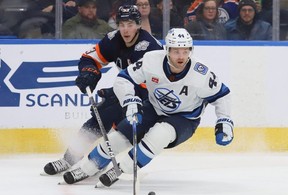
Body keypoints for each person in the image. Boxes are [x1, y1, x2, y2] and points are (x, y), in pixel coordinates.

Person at [62, 28, 234, 186]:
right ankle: (88, 166)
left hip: (184, 118)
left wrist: (224, 121)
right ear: (167, 50)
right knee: (120, 136)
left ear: (191, 51)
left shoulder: (201, 74)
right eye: (176, 51)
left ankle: (122, 169)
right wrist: (129, 99)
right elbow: (124, 79)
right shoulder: (152, 60)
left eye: (185, 51)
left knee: (159, 135)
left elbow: (222, 95)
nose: (181, 57)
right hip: (153, 107)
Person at [43, 5, 163, 178]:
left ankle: (97, 164)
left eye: (130, 24)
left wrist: (114, 94)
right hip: (126, 91)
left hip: (150, 98)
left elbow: (153, 83)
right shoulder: (113, 39)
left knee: (120, 130)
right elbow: (89, 58)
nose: (125, 29)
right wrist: (89, 73)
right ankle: (70, 158)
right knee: (97, 122)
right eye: (122, 24)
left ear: (138, 25)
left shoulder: (149, 47)